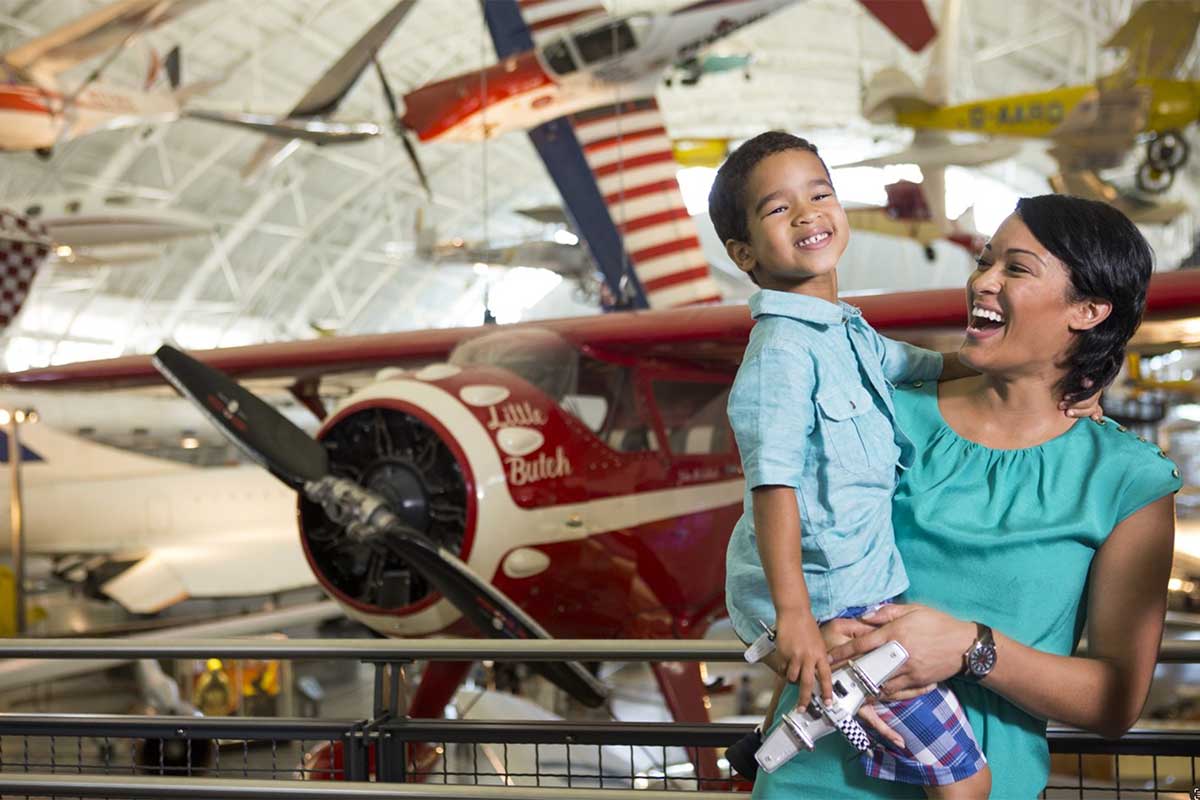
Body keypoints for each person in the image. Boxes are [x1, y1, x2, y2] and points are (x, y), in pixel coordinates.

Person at [755, 193, 1180, 797]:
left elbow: (1115, 704)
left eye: (1016, 268)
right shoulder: (881, 417)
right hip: (812, 778)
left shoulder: (1125, 479)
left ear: (1087, 309)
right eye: (984, 261)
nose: (982, 281)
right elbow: (767, 559)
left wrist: (970, 648)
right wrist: (792, 643)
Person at [711, 131, 994, 796]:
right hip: (838, 601)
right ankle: (808, 716)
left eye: (821, 194)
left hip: (864, 590)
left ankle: (792, 730)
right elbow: (773, 488)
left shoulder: (848, 330)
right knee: (966, 781)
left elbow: (917, 365)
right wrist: (796, 622)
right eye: (778, 210)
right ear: (744, 252)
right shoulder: (779, 355)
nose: (809, 214)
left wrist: (999, 362)